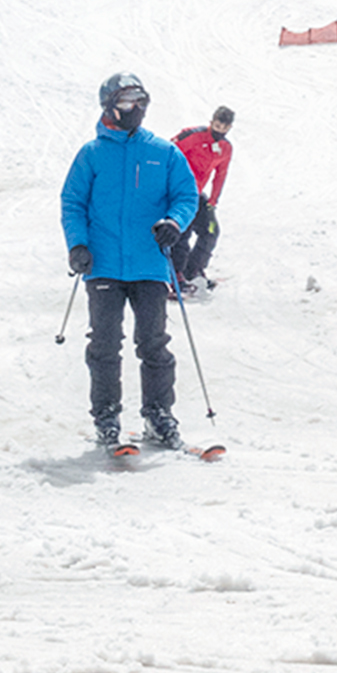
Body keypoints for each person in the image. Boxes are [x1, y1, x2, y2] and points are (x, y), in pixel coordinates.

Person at [60, 73, 199, 454]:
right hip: (103, 264)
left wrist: (174, 223)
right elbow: (73, 203)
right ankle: (106, 418)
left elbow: (186, 195)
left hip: (150, 264)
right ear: (109, 106)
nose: (135, 108)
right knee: (105, 344)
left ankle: (159, 415)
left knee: (154, 343)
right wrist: (78, 245)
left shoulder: (163, 152)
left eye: (141, 100)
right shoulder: (91, 154)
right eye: (126, 101)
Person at [169, 107, 236, 297]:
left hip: (197, 195)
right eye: (217, 125)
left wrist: (213, 200)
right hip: (178, 192)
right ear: (212, 122)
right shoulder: (194, 136)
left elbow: (221, 174)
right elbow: (169, 153)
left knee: (210, 230)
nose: (220, 130)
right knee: (183, 232)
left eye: (224, 127)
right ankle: (175, 275)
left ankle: (194, 270)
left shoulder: (225, 148)